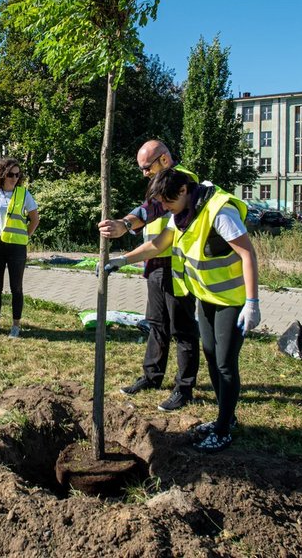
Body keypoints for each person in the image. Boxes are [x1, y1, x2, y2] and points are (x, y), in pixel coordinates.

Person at [104, 168, 260, 453]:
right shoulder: (182, 215)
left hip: (231, 300)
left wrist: (252, 303)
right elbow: (159, 244)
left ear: (185, 191)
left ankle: (223, 430)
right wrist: (122, 260)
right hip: (208, 297)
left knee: (225, 363)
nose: (164, 208)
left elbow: (247, 254)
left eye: (168, 202)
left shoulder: (219, 212)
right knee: (212, 356)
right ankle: (226, 417)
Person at [98, 140, 200, 412]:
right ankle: (152, 376)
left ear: (164, 160)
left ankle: (184, 388)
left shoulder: (182, 181)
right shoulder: (160, 183)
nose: (143, 173)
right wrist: (124, 223)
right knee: (157, 324)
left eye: (147, 167)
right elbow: (147, 207)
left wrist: (125, 228)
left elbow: (154, 210)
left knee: (183, 329)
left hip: (177, 267)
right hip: (156, 265)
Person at [0, 158, 39, 338]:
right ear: (2, 174)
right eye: (11, 174)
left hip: (17, 248)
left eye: (17, 175)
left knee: (16, 288)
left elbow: (35, 219)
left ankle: (15, 326)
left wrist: (26, 236)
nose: (14, 178)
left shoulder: (23, 194)